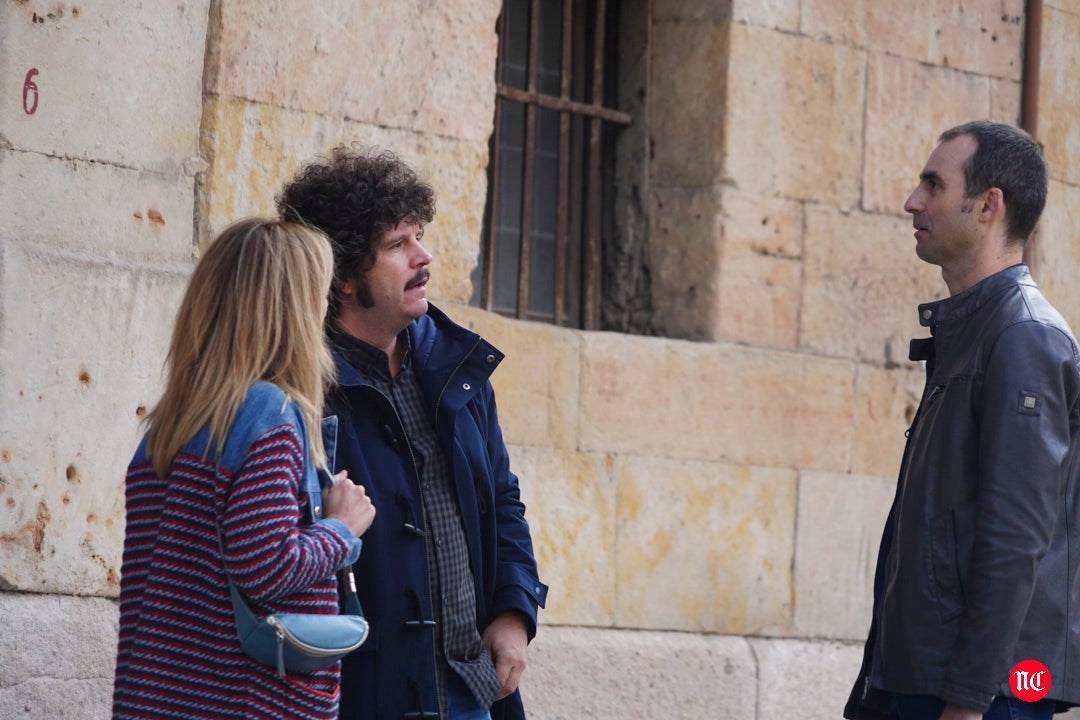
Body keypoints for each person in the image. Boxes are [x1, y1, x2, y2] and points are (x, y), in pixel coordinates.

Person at [277, 146, 548, 720]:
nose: (423, 257)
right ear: (345, 278)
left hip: (472, 690)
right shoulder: (297, 389)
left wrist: (513, 613)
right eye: (397, 245)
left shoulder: (458, 370)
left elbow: (503, 499)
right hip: (360, 696)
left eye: (418, 235)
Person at [845, 120, 1080, 720]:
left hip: (983, 695)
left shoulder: (1024, 337)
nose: (912, 202)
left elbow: (1016, 538)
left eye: (932, 185)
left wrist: (970, 701)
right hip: (922, 678)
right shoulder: (975, 330)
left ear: (987, 206)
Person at [112, 218, 376, 720]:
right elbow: (267, 566)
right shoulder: (270, 416)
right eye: (318, 295)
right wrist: (342, 528)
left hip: (157, 697)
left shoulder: (169, 425)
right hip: (243, 699)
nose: (325, 310)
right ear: (292, 311)